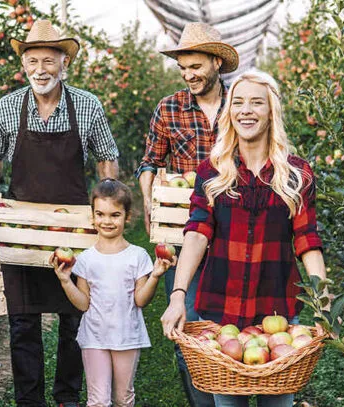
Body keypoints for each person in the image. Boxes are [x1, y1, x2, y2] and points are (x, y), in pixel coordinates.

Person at [160, 70, 329, 407]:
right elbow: (197, 232)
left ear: (271, 112)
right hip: (222, 310)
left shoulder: (295, 173)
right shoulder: (213, 171)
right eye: (238, 102)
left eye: (256, 102)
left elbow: (307, 241)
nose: (246, 110)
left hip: (278, 307)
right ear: (229, 112)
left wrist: (324, 304)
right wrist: (179, 295)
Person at [0, 19, 119, 407]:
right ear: (23, 65)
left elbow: (107, 156)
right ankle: (29, 399)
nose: (40, 69)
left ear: (64, 64)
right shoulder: (8, 107)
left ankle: (67, 396)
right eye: (32, 61)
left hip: (71, 227)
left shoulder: (87, 105)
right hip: (22, 229)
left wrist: (106, 198)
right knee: (22, 320)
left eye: (48, 60)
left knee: (74, 317)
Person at [135, 22, 239, 407]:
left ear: (215, 62)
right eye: (183, 68)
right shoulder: (170, 107)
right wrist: (149, 198)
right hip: (183, 232)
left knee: (234, 329)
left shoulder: (241, 105)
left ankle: (233, 395)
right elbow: (150, 162)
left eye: (195, 66)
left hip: (235, 232)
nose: (189, 74)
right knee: (188, 326)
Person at [50, 179, 175, 407]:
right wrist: (65, 281)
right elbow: (83, 304)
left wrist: (155, 275)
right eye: (100, 214)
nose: (106, 221)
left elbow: (140, 300)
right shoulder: (86, 259)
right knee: (97, 400)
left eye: (114, 215)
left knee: (123, 399)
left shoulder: (137, 256)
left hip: (126, 337)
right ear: (93, 216)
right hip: (95, 337)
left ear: (127, 217)